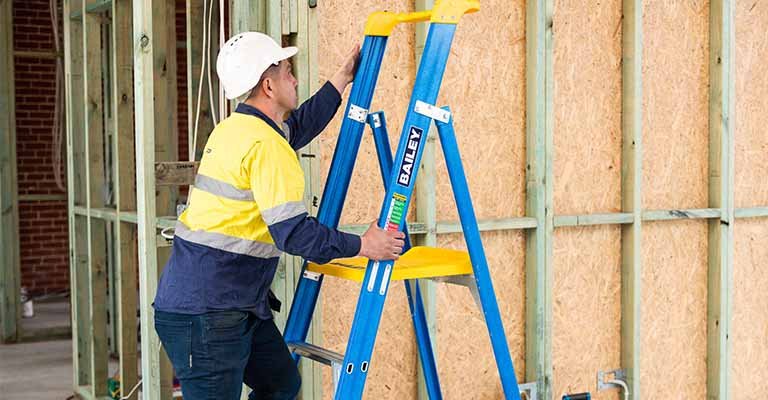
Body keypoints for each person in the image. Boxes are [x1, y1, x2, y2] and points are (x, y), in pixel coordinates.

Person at [153, 31, 405, 400]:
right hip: (207, 314)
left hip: (230, 304)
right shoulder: (266, 146)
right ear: (269, 87)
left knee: (280, 384)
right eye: (288, 71)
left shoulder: (237, 129)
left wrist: (342, 78)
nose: (296, 79)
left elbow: (298, 126)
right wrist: (365, 244)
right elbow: (295, 235)